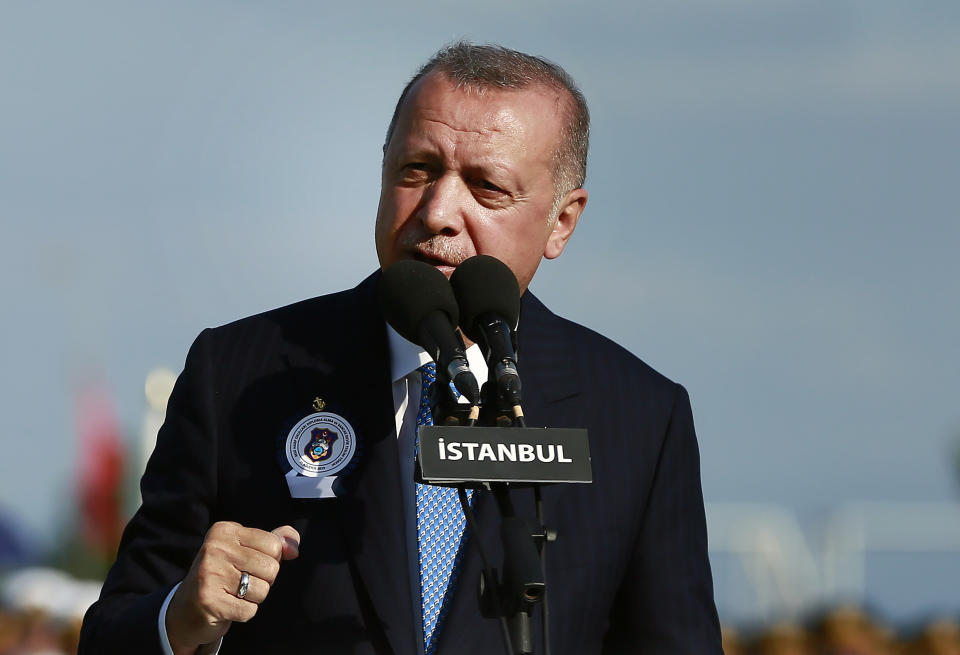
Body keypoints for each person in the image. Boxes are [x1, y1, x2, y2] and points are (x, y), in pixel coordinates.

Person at [79, 42, 723, 654]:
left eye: (486, 187)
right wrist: (181, 618)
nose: (439, 210)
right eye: (417, 170)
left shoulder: (637, 416)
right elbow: (112, 635)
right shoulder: (241, 374)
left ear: (561, 221)